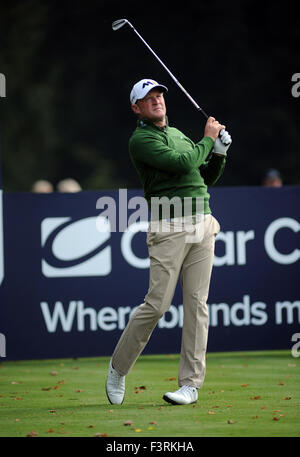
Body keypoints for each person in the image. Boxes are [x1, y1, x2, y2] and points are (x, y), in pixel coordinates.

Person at [106, 79, 232, 406]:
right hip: (169, 224)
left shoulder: (177, 134)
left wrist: (219, 152)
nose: (156, 101)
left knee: (197, 306)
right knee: (158, 304)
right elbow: (183, 163)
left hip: (202, 222)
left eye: (159, 95)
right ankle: (119, 368)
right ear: (137, 108)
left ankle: (190, 385)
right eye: (148, 99)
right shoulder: (141, 140)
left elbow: (202, 176)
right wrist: (208, 138)